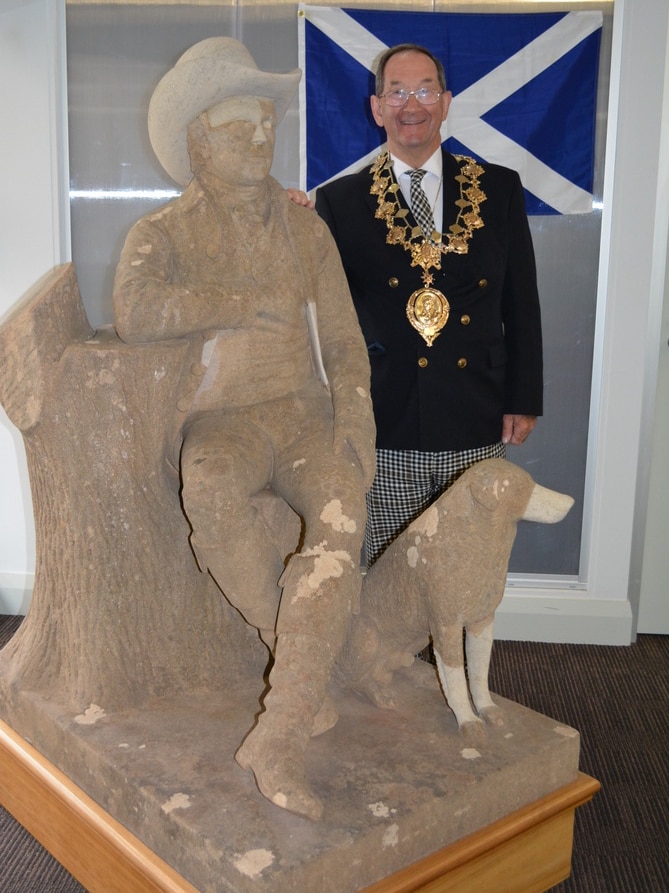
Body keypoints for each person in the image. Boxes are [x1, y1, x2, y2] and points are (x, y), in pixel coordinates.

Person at [113, 37, 376, 821]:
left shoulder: (306, 228)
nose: (260, 139)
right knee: (212, 489)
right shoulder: (161, 235)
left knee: (341, 522)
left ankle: (279, 729)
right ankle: (290, 646)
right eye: (239, 128)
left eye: (266, 123)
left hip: (304, 416)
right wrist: (230, 297)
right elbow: (135, 314)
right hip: (221, 421)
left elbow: (342, 338)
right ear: (198, 140)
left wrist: (356, 414)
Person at [314, 43, 543, 565]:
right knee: (386, 568)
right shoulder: (339, 202)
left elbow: (521, 301)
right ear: (377, 108)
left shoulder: (499, 188)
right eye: (396, 91)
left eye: (423, 90)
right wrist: (286, 222)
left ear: (446, 102)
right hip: (386, 418)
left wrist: (523, 396)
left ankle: (457, 653)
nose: (410, 104)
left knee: (468, 566)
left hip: (476, 411)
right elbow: (325, 313)